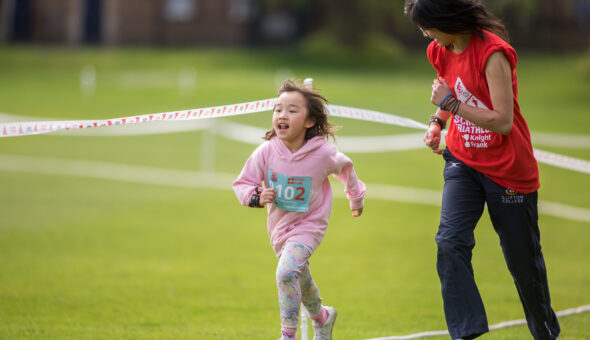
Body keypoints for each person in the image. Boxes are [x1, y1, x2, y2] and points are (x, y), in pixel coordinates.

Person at [404, 0, 561, 339]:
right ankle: (466, 333)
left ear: (444, 19)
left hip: (508, 171)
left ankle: (546, 334)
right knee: (449, 243)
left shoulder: (493, 53)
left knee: (523, 265)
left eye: (426, 26)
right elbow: (450, 88)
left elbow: (502, 121)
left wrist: (449, 104)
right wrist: (437, 121)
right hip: (463, 162)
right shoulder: (439, 50)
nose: (425, 33)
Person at [232, 79, 366, 340]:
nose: (282, 115)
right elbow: (243, 183)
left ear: (309, 121)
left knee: (285, 273)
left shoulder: (323, 153)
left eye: (292, 110)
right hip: (279, 229)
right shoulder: (266, 152)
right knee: (299, 278)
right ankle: (322, 319)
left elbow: (346, 169)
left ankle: (288, 335)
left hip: (310, 225)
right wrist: (257, 197)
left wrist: (356, 197)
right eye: (278, 109)